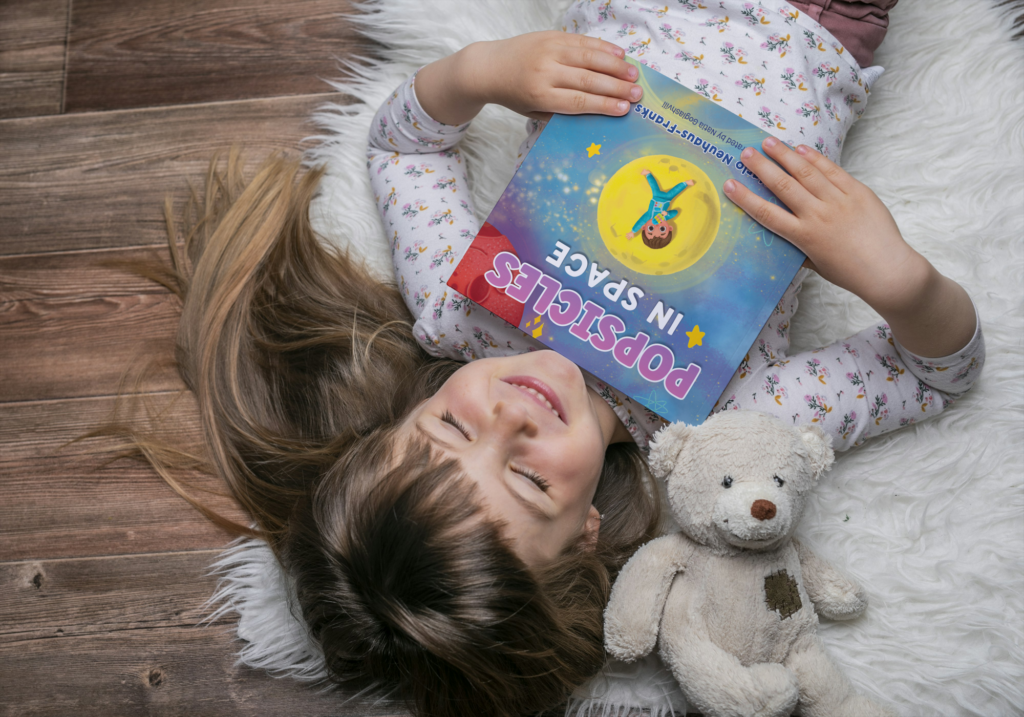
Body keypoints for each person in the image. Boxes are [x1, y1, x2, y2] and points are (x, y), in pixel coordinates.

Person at [137, 1, 982, 716]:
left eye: (448, 424)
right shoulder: (720, 433)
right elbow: (932, 370)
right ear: (585, 534)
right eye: (529, 478)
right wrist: (896, 276)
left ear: (400, 415)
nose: (508, 414)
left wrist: (479, 74)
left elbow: (404, 148)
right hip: (813, 21)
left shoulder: (457, 309)